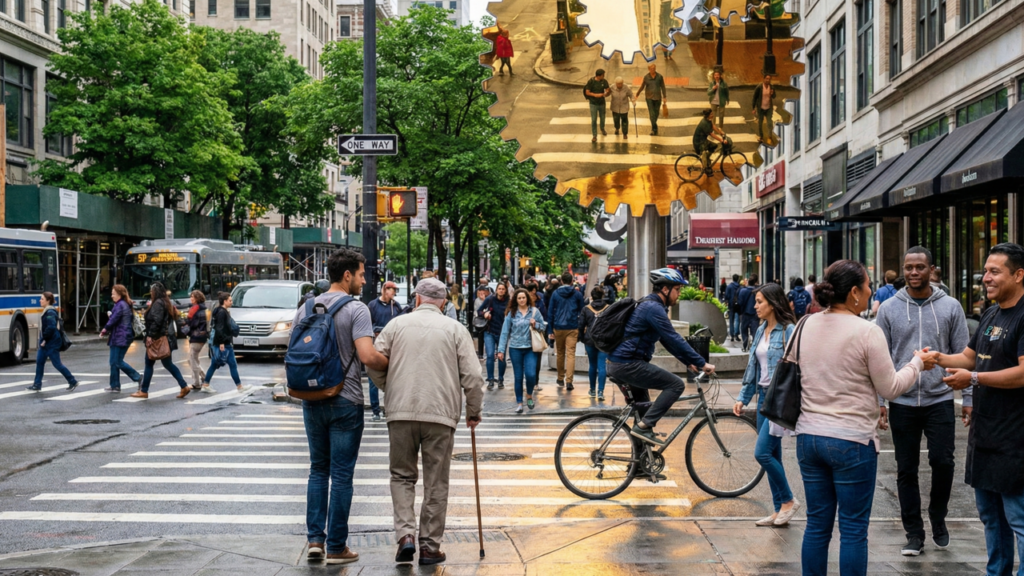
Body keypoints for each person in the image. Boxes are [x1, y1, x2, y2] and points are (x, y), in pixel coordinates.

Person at [795, 259, 933, 576]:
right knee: (854, 530)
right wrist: (917, 364)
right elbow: (891, 387)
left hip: (808, 437)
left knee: (817, 525)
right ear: (855, 292)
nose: (871, 291)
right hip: (852, 440)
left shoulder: (805, 325)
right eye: (868, 285)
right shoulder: (867, 332)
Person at [367, 278, 483, 566]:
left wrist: (388, 386)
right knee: (436, 481)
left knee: (402, 476)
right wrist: (473, 410)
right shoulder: (456, 329)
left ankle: (405, 536)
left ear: (417, 299)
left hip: (400, 411)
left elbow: (374, 361)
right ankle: (430, 546)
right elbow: (473, 378)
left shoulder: (396, 325)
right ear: (443, 303)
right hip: (441, 415)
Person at [929, 243, 1024, 576]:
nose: (986, 278)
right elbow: (969, 357)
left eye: (994, 271)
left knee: (1019, 519)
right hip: (985, 434)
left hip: (1016, 438)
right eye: (985, 271)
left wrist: (975, 378)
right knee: (990, 517)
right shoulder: (990, 313)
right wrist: (938, 358)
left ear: (1018, 274)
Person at [293, 248, 390, 565]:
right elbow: (367, 356)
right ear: (347, 275)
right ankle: (336, 546)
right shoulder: (356, 309)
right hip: (346, 399)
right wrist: (391, 362)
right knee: (342, 475)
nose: (364, 280)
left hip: (312, 398)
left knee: (318, 470)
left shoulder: (307, 306)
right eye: (361, 274)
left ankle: (315, 542)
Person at [875, 247, 970, 556]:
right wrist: (880, 402)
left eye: (919, 267)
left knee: (943, 461)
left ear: (931, 270)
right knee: (906, 469)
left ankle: (938, 516)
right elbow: (879, 360)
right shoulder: (888, 308)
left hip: (939, 398)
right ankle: (913, 533)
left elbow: (964, 356)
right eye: (908, 267)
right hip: (901, 401)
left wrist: (967, 397)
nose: (913, 272)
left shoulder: (951, 307)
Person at [607, 268, 715, 445]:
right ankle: (644, 426)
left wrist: (688, 362)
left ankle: (640, 465)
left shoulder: (652, 306)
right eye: (677, 289)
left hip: (622, 363)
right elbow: (673, 337)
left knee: (643, 412)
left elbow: (666, 339)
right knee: (675, 384)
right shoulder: (653, 308)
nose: (679, 294)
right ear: (665, 289)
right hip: (627, 364)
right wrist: (702, 363)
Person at [733, 283, 798, 526]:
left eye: (760, 301)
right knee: (773, 455)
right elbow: (753, 366)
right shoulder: (761, 330)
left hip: (778, 399)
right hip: (762, 397)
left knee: (761, 453)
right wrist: (743, 397)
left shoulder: (789, 330)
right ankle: (778, 509)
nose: (755, 306)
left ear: (773, 303)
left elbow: (798, 367)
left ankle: (789, 500)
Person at [131, 282, 190, 399]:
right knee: (167, 364)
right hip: (165, 338)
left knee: (149, 363)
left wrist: (150, 336)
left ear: (155, 292)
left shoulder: (158, 303)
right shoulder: (164, 302)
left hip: (158, 338)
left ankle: (144, 391)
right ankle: (184, 386)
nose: (150, 293)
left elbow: (156, 322)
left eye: (151, 291)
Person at [498, 287, 546, 413]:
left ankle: (529, 394)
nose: (521, 300)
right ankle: (519, 402)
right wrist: (501, 350)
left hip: (530, 348)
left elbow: (544, 328)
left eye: (523, 297)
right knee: (518, 377)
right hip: (515, 348)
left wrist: (536, 324)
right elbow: (504, 332)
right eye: (519, 298)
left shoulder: (535, 311)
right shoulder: (511, 313)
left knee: (530, 374)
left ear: (527, 298)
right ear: (516, 300)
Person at [27, 291, 79, 392]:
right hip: (46, 341)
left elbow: (51, 328)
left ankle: (72, 381)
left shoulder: (50, 312)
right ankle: (37, 384)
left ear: (48, 301)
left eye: (42, 299)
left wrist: (44, 340)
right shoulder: (47, 311)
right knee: (40, 362)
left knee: (57, 364)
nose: (40, 300)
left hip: (51, 342)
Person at [367, 281, 403, 422]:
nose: (393, 293)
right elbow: (368, 324)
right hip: (377, 343)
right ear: (384, 290)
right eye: (391, 290)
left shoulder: (396, 306)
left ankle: (389, 408)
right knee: (372, 379)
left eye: (394, 290)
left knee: (392, 377)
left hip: (392, 345)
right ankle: (376, 410)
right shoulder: (373, 305)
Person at [203, 292, 251, 395]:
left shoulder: (218, 311)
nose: (231, 302)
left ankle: (206, 384)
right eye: (230, 300)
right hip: (223, 342)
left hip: (222, 342)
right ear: (224, 301)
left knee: (218, 364)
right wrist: (222, 343)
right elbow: (220, 328)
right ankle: (239, 386)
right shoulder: (222, 312)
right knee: (228, 364)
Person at [99, 284, 140, 393]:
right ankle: (115, 385)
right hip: (120, 336)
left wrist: (104, 329)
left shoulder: (120, 305)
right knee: (113, 362)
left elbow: (114, 320)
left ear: (119, 294)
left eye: (113, 294)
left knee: (117, 361)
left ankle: (138, 377)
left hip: (121, 337)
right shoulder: (122, 304)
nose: (112, 296)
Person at [547, 272, 585, 390]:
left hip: (558, 327)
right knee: (571, 354)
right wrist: (580, 326)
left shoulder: (555, 294)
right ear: (572, 281)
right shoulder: (577, 294)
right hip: (572, 326)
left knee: (560, 353)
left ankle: (560, 378)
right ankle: (569, 381)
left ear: (561, 281)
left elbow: (550, 312)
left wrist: (550, 329)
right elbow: (582, 311)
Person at [578, 286, 609, 400]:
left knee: (592, 365)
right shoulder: (608, 308)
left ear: (592, 296)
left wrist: (582, 338)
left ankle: (592, 389)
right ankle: (600, 391)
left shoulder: (586, 309)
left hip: (589, 340)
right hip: (603, 341)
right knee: (602, 366)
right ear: (602, 296)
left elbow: (580, 325)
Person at [478, 282, 510, 389]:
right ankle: (490, 379)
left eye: (503, 289)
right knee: (490, 355)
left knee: (501, 357)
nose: (501, 290)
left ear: (505, 290)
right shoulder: (490, 299)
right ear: (496, 290)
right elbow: (479, 311)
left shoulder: (508, 302)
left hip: (502, 333)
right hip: (489, 331)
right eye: (499, 288)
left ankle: (500, 379)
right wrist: (484, 314)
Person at [185, 290, 210, 392]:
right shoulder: (204, 309)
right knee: (193, 359)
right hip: (201, 337)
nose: (191, 299)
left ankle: (197, 383)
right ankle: (203, 377)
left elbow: (193, 324)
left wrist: (185, 323)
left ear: (197, 298)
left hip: (196, 337)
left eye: (193, 297)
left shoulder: (195, 310)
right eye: (191, 297)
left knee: (192, 360)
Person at [636, 63, 667, 136]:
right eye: (652, 68)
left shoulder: (659, 77)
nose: (653, 69)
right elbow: (642, 86)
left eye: (654, 68)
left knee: (656, 113)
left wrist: (664, 96)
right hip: (649, 98)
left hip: (658, 97)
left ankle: (654, 125)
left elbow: (663, 87)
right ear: (649, 69)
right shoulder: (646, 77)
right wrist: (637, 94)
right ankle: (654, 129)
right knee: (652, 114)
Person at [584, 68, 611, 143]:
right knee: (593, 119)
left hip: (602, 102)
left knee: (602, 117)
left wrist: (607, 92)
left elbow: (607, 89)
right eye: (603, 75)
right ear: (599, 76)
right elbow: (587, 92)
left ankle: (602, 128)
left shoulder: (604, 81)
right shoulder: (591, 81)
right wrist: (595, 95)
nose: (604, 76)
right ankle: (594, 135)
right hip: (593, 103)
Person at [737, 274, 760, 352]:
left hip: (745, 313)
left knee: (744, 329)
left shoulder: (743, 290)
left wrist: (741, 311)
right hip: (755, 314)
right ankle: (754, 346)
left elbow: (740, 302)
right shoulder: (758, 291)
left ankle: (745, 345)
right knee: (755, 331)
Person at [751, 74, 776, 144]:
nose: (768, 80)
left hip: (768, 108)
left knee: (769, 122)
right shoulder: (759, 87)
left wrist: (772, 93)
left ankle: (769, 137)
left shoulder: (771, 87)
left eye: (769, 79)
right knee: (760, 123)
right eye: (766, 79)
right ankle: (761, 137)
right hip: (761, 108)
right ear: (764, 79)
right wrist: (753, 108)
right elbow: (754, 97)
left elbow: (774, 96)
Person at [473, 285, 490, 359]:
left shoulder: (488, 299)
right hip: (479, 322)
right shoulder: (477, 301)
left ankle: (484, 353)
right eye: (480, 292)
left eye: (483, 292)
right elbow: (479, 311)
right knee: (481, 338)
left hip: (486, 322)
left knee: (486, 338)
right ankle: (481, 354)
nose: (482, 294)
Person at [725, 274, 742, 342]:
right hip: (738, 305)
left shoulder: (729, 286)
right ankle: (736, 334)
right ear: (738, 279)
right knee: (737, 320)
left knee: (731, 320)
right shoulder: (740, 287)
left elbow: (726, 296)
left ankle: (731, 335)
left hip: (731, 305)